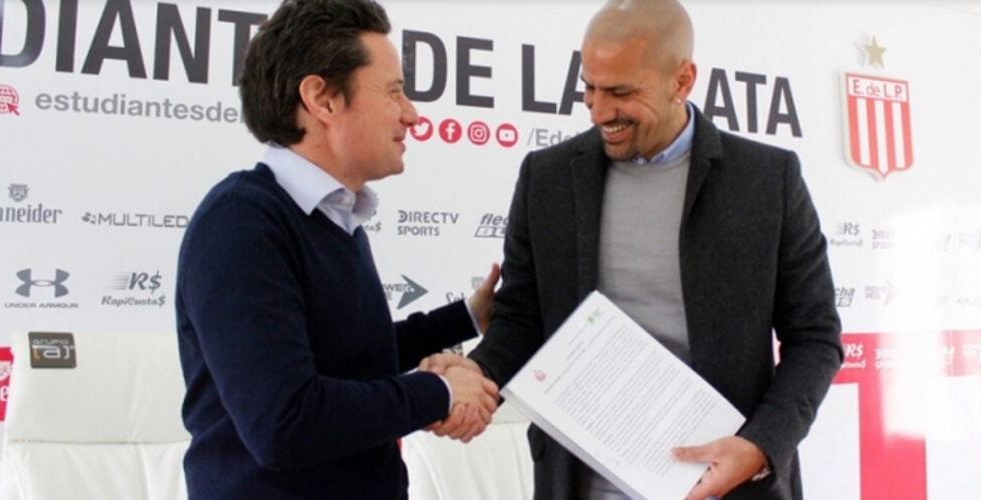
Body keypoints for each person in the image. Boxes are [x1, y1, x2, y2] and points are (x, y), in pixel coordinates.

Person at [422, 0, 842, 499]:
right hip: (581, 485)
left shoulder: (767, 180)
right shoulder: (547, 178)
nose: (599, 111)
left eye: (621, 92)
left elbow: (815, 337)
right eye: (589, 88)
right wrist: (479, 374)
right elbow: (522, 319)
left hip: (729, 487)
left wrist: (760, 446)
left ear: (682, 80)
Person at [174, 0, 500, 498]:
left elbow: (353, 357)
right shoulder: (240, 223)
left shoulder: (333, 219)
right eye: (393, 91)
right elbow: (285, 421)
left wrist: (469, 316)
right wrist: (438, 392)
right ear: (322, 100)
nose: (411, 115)